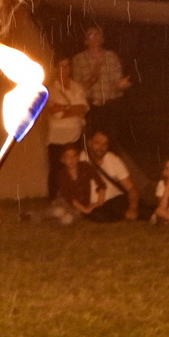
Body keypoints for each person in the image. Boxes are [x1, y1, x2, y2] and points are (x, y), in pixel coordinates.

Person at [70, 25, 131, 139]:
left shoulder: (112, 57)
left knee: (110, 139)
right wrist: (93, 77)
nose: (96, 38)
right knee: (91, 139)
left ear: (103, 39)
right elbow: (76, 89)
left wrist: (122, 85)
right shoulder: (78, 59)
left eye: (98, 34)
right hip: (90, 108)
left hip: (110, 107)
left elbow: (117, 82)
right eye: (91, 35)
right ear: (86, 41)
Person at [45, 57, 89, 197]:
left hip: (75, 136)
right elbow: (54, 112)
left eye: (67, 66)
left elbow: (83, 109)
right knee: (57, 169)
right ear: (55, 69)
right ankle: (54, 199)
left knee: (76, 168)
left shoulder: (77, 87)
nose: (65, 70)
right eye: (61, 66)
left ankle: (76, 197)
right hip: (57, 137)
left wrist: (64, 109)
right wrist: (72, 109)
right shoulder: (50, 90)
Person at [84, 129, 140, 221]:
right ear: (89, 143)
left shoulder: (113, 159)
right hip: (92, 206)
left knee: (127, 207)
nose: (101, 147)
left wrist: (133, 208)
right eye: (97, 143)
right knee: (97, 215)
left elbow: (131, 188)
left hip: (114, 202)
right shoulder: (80, 159)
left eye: (105, 144)